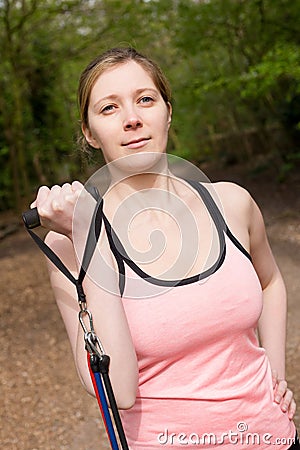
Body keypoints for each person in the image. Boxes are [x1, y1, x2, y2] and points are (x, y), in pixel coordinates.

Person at [30, 47, 298, 449]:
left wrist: (276, 374)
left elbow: (271, 281)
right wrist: (89, 238)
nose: (132, 118)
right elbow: (119, 391)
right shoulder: (69, 244)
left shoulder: (231, 203)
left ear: (167, 112)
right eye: (109, 108)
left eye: (145, 99)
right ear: (89, 132)